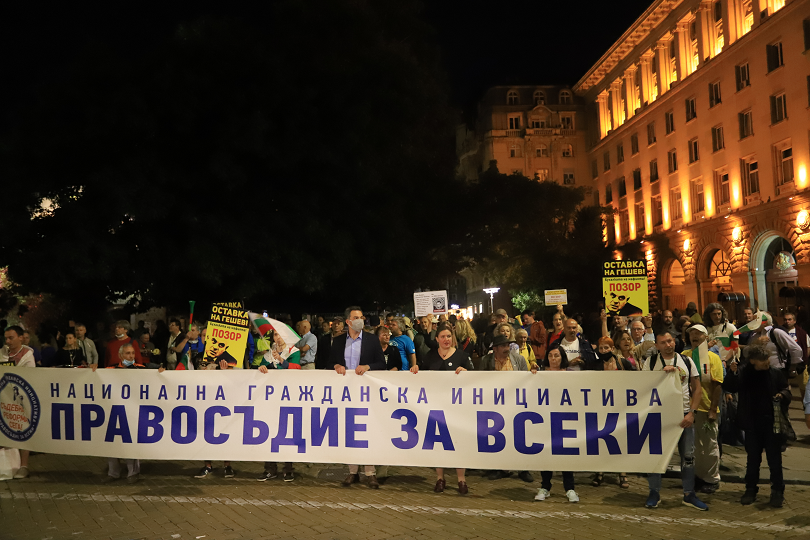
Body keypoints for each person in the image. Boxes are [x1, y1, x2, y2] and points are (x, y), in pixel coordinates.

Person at [643, 331, 707, 510]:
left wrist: (692, 412)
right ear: (657, 345)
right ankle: (654, 492)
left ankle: (689, 494)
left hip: (684, 414)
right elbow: (644, 389)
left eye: (670, 341)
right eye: (663, 342)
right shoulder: (651, 362)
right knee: (655, 456)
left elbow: (697, 389)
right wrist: (660, 376)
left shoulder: (686, 361)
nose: (668, 345)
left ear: (675, 341)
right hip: (659, 416)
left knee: (688, 457)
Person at [723, 343, 790, 507]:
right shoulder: (745, 374)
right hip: (752, 423)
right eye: (762, 360)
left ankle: (777, 491)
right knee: (753, 459)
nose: (767, 362)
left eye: (767, 359)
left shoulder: (775, 373)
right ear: (752, 361)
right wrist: (732, 373)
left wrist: (782, 395)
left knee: (774, 459)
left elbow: (786, 389)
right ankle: (751, 489)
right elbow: (730, 386)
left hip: (771, 422)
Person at [412, 323, 474, 494]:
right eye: (442, 337)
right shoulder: (430, 355)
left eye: (448, 336)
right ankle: (440, 478)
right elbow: (422, 376)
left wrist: (466, 372)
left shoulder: (462, 355)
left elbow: (475, 377)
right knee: (438, 443)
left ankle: (461, 479)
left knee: (458, 442)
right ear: (437, 339)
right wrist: (416, 369)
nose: (446, 340)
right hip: (435, 406)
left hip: (456, 408)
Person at [329, 306, 387, 489]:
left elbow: (381, 364)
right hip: (346, 392)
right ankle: (352, 471)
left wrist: (368, 367)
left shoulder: (371, 340)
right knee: (349, 430)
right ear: (348, 321)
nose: (360, 320)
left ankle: (370, 473)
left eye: (361, 317)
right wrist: (336, 365)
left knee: (366, 430)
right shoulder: (337, 341)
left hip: (366, 392)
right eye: (356, 317)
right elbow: (329, 361)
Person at [480, 335, 538, 483]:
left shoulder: (518, 360)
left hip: (515, 402)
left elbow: (526, 380)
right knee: (498, 435)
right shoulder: (486, 361)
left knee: (519, 434)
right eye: (503, 346)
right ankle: (500, 468)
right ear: (495, 349)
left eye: (508, 345)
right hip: (495, 404)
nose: (506, 349)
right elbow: (479, 380)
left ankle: (523, 468)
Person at [682, 324, 724, 494]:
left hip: (707, 409)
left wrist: (713, 409)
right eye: (692, 333)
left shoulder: (713, 358)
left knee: (709, 446)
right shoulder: (684, 357)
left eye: (698, 333)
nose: (694, 336)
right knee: (693, 446)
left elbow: (717, 385)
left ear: (706, 337)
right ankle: (699, 477)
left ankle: (712, 478)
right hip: (689, 409)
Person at [535, 344, 578, 502]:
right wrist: (532, 375)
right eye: (551, 356)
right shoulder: (540, 374)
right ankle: (545, 486)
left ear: (562, 358)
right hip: (545, 418)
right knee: (546, 454)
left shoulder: (571, 374)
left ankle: (570, 488)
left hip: (565, 418)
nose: (553, 359)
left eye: (557, 356)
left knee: (566, 454)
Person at [95, 343, 144, 483]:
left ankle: (133, 473)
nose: (131, 356)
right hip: (113, 410)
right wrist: (93, 370)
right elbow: (97, 377)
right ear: (120, 356)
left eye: (133, 353)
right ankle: (113, 473)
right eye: (128, 353)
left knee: (130, 442)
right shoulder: (111, 370)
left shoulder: (141, 369)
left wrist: (160, 371)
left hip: (132, 411)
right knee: (111, 442)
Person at [1, 326, 36, 478]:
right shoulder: (1, 353)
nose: (8, 341)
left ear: (21, 337)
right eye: (6, 338)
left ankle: (24, 466)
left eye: (11, 338)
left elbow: (30, 377)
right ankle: (7, 464)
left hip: (21, 400)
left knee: (23, 429)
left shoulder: (28, 356)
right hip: (3, 399)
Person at [783, 309, 809, 399]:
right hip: (784, 363)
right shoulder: (779, 332)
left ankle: (805, 405)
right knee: (785, 386)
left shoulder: (802, 333)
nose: (787, 321)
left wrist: (804, 359)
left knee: (803, 387)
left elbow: (807, 347)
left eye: (789, 319)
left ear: (794, 321)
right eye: (785, 319)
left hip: (799, 364)